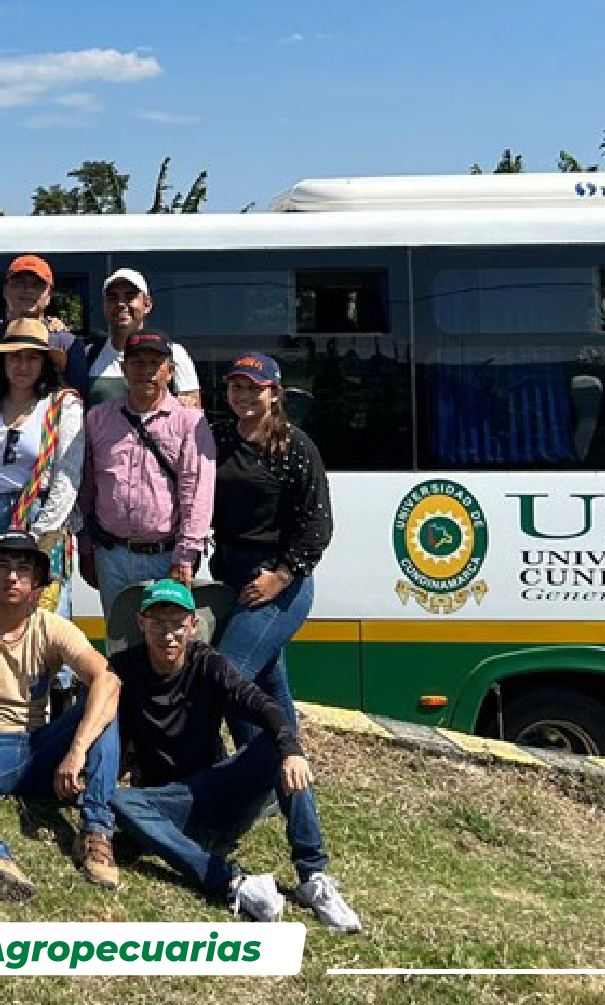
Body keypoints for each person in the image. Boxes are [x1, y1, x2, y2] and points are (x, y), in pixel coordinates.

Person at [208, 351, 359, 931]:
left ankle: (253, 790)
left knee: (226, 677)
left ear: (275, 393)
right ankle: (314, 868)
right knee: (280, 727)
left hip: (279, 586)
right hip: (234, 582)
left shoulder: (295, 447)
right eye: (236, 385)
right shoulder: (219, 436)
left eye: (255, 386)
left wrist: (282, 575)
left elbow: (317, 524)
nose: (244, 394)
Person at [108, 580, 329, 924]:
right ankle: (230, 881)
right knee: (121, 801)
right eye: (158, 623)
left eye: (177, 624)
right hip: (168, 802)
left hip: (216, 791)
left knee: (277, 745)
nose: (168, 634)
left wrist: (291, 749)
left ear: (192, 626)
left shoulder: (208, 663)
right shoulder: (122, 668)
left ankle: (313, 875)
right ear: (141, 623)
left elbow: (263, 705)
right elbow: (97, 726)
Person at [0, 530, 121, 901]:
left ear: (37, 581)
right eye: (2, 566)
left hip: (38, 746)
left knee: (105, 706)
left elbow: (107, 679)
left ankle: (96, 832)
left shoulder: (52, 627)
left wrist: (77, 749)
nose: (12, 576)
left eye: (22, 568)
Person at [78, 330, 216, 621]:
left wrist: (186, 556)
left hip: (166, 558)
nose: (146, 371)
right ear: (123, 369)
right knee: (120, 646)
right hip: (110, 555)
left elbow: (197, 493)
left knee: (166, 648)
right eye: (137, 362)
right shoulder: (97, 419)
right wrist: (87, 546)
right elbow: (88, 487)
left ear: (170, 371)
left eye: (155, 363)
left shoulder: (191, 423)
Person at [0, 318, 84, 613]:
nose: (22, 365)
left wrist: (39, 535)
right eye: (14, 356)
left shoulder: (63, 405)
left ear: (44, 363)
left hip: (41, 518)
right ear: (2, 362)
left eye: (31, 357)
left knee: (46, 618)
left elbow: (67, 475)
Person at [0, 254, 89, 428]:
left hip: (50, 446)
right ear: (5, 290)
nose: (28, 290)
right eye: (19, 283)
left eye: (37, 285)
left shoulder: (68, 345)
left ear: (49, 294)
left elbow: (80, 408)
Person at [84, 268, 201, 408]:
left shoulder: (174, 353)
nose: (120, 304)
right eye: (112, 298)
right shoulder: (89, 355)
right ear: (104, 307)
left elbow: (192, 413)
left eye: (130, 296)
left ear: (147, 305)